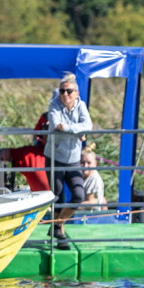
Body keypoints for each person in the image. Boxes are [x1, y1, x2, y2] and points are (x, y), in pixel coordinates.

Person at [43, 72, 92, 242]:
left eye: (69, 91)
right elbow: (57, 125)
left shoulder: (81, 105)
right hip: (55, 157)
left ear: (76, 93)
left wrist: (70, 129)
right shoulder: (54, 105)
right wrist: (79, 132)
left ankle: (57, 225)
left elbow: (88, 125)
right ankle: (60, 232)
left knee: (79, 195)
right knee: (58, 195)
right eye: (62, 91)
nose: (65, 94)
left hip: (73, 160)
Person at [0, 112, 50, 192]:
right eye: (48, 128)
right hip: (45, 203)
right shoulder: (31, 155)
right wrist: (0, 155)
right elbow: (7, 154)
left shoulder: (31, 155)